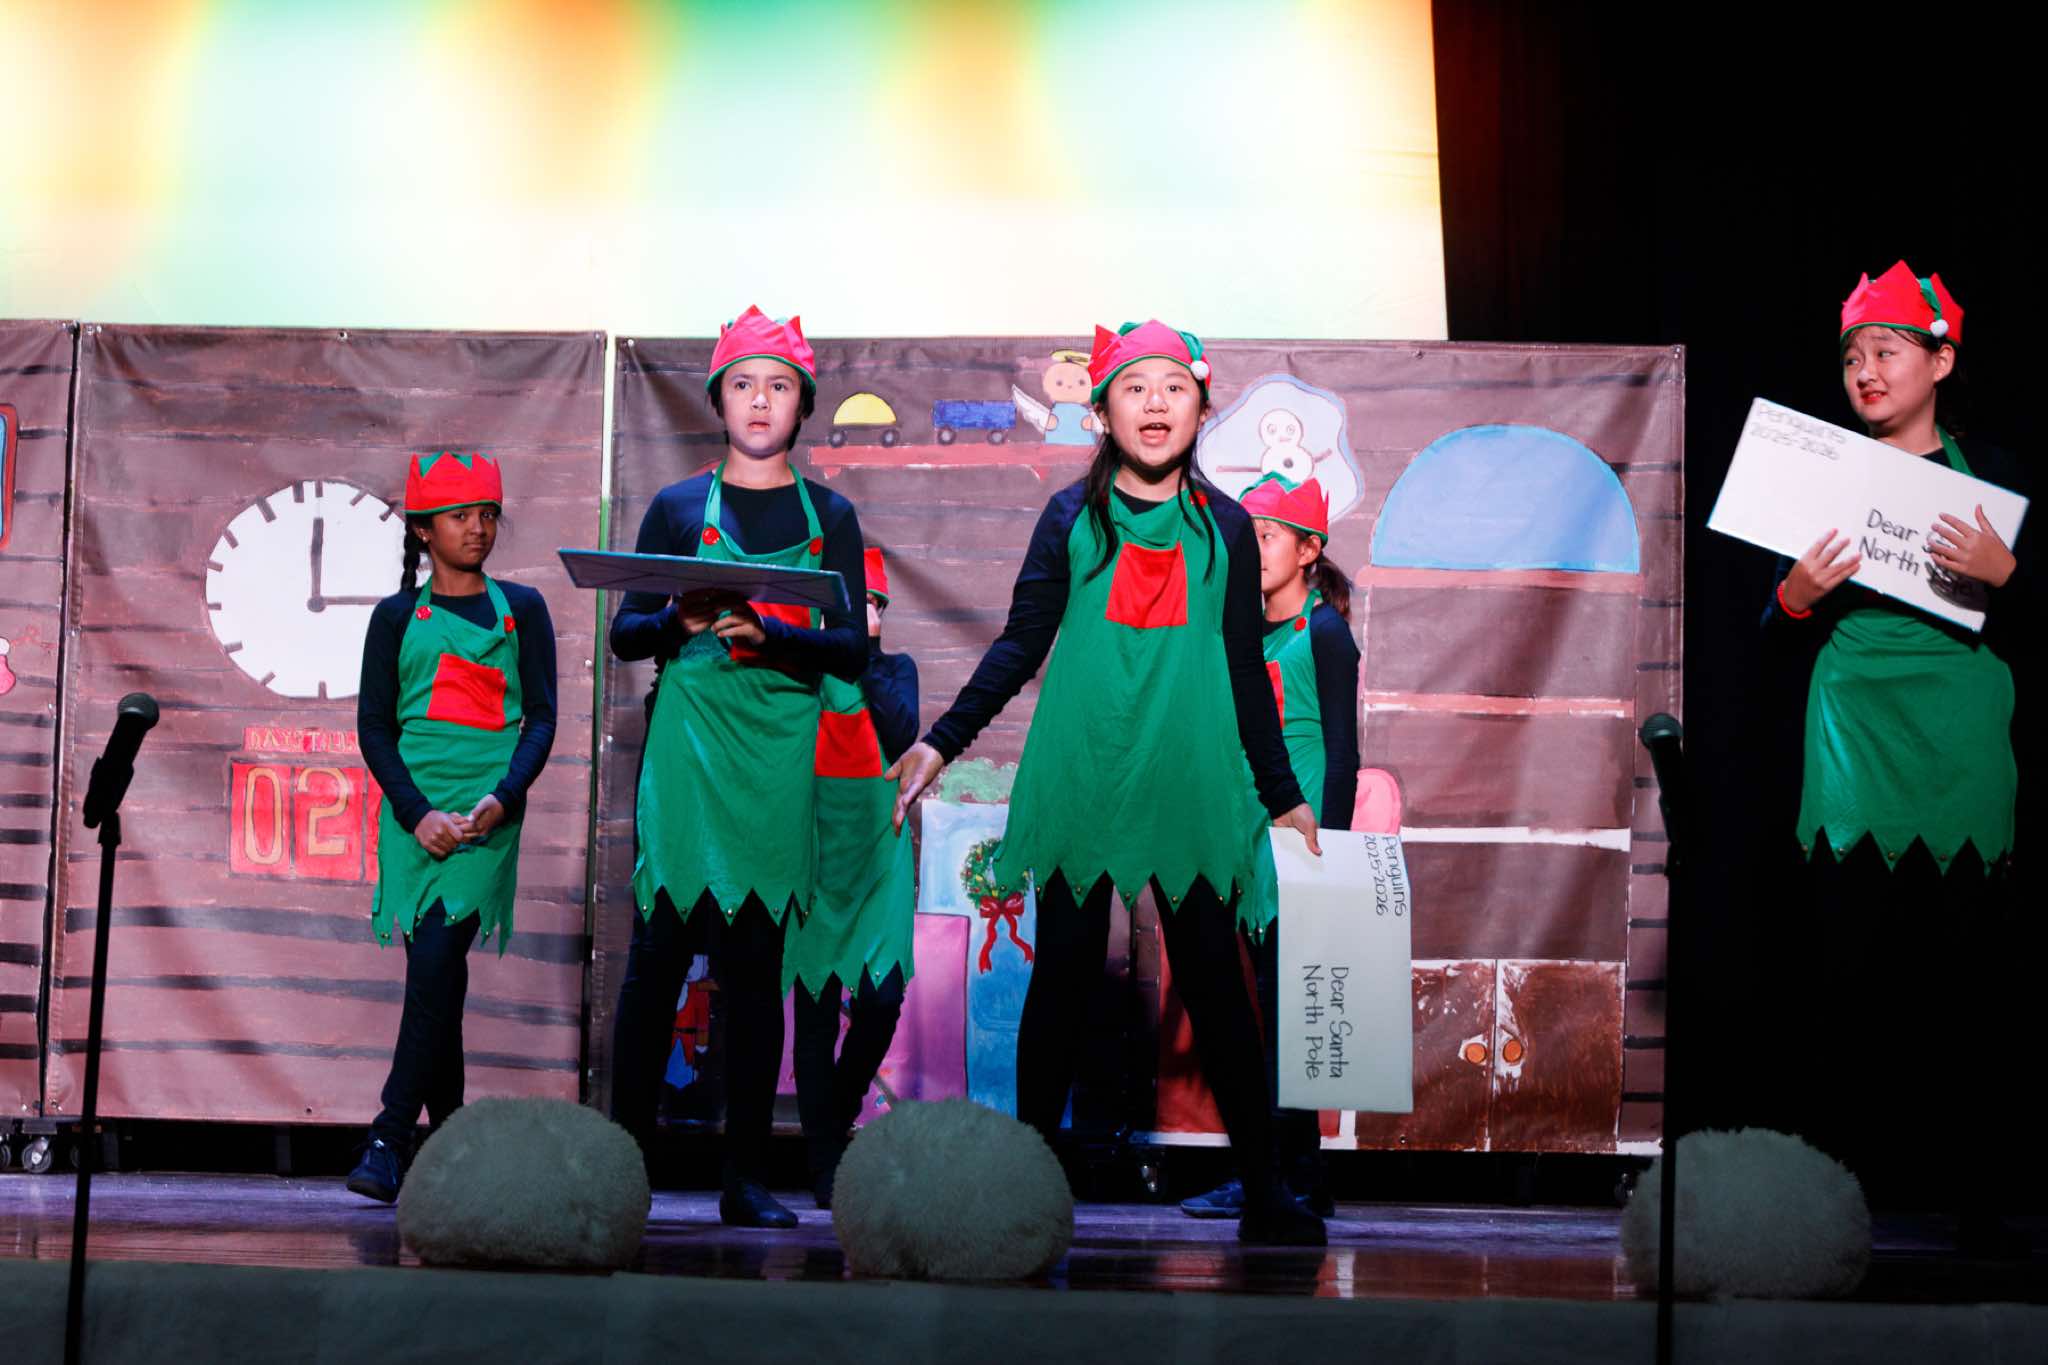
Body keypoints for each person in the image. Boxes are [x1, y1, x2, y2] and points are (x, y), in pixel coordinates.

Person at [889, 320, 1328, 1246]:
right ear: (1100, 411)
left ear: (1202, 407)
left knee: (1216, 979)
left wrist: (1283, 790)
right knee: (1062, 975)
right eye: (1135, 387)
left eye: (1174, 386)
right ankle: (1027, 1189)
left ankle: (1264, 1188)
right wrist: (941, 741)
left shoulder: (1229, 528)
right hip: (1084, 770)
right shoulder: (1068, 519)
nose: (1155, 402)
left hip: (1190, 776)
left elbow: (1246, 670)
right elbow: (1020, 643)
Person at [1763, 262, 2032, 1249]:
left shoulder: (1992, 473)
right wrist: (1793, 595)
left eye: (1885, 351)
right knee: (1843, 986)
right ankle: (1832, 1211)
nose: (1865, 372)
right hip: (1854, 739)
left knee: (1969, 986)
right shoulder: (1823, 477)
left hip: (1960, 737)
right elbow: (1769, 637)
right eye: (1851, 358)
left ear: (1940, 361)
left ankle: (1978, 1210)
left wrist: (2008, 575)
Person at [608, 307, 868, 1228]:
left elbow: (852, 650)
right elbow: (624, 631)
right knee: (657, 963)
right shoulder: (679, 508)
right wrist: (673, 620)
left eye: (780, 385)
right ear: (718, 400)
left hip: (775, 760)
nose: (761, 401)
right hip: (689, 754)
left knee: (757, 973)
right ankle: (620, 1166)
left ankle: (746, 1177)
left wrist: (775, 635)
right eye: (745, 384)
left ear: (804, 404)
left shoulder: (831, 516)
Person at [347, 451, 558, 1202]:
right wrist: (415, 813)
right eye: (461, 515)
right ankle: (454, 1143)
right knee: (437, 976)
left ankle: (388, 1135)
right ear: (424, 530)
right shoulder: (395, 617)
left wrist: (503, 796)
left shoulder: (523, 609)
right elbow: (374, 728)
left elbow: (541, 719)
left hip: (484, 820)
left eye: (488, 514)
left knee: (438, 957)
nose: (478, 528)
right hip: (415, 820)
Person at [1180, 472, 1358, 1221]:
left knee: (1296, 1018)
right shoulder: (1245, 636)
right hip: (1248, 839)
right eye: (1245, 536)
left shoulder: (1325, 632)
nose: (1251, 550)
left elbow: (1344, 752)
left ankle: (1295, 1179)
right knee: (1261, 1013)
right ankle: (1270, 1174)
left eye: (1267, 536)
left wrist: (1331, 859)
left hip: (1301, 843)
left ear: (1309, 550)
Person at [785, 546, 919, 1209]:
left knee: (882, 1000)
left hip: (878, 859)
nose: (864, 611)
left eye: (873, 602)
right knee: (814, 1011)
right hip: (815, 860)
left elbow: (902, 730)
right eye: (851, 602)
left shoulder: (895, 670)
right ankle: (823, 1162)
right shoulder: (802, 676)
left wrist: (858, 654)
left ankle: (835, 1115)